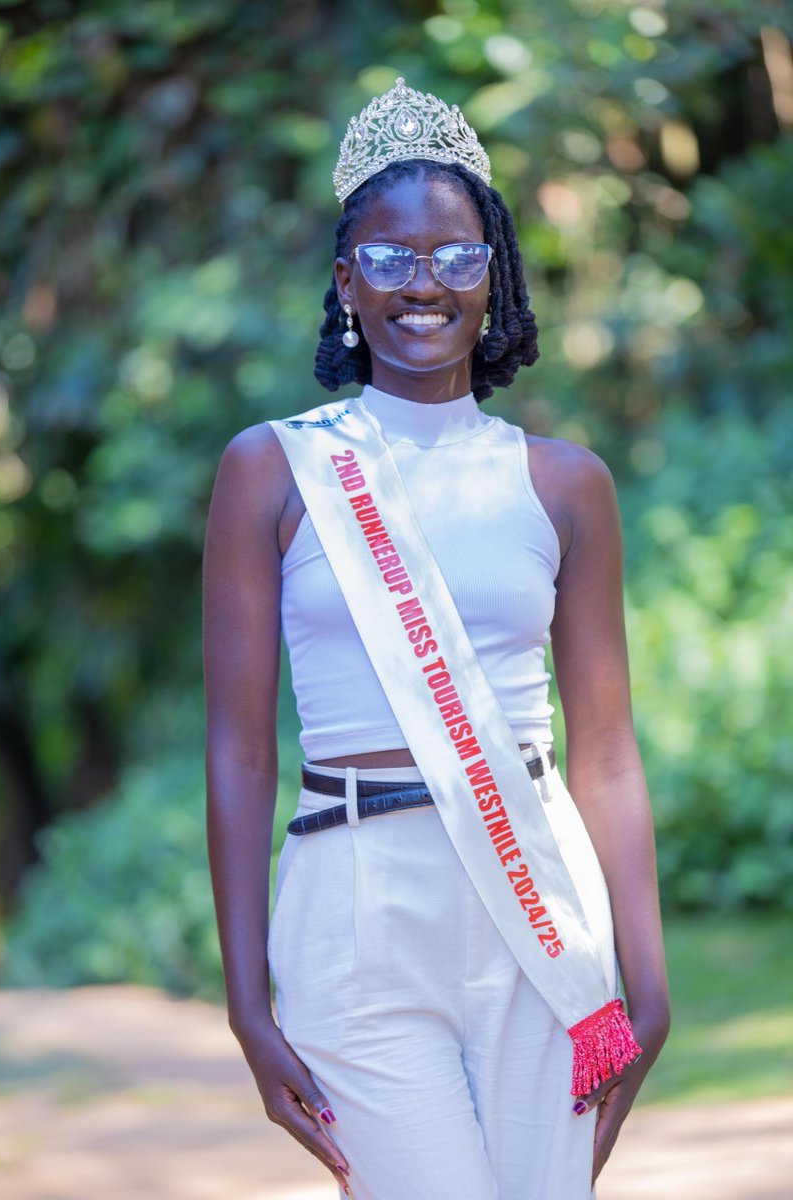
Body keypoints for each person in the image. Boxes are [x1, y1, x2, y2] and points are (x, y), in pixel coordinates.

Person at [203, 78, 670, 1200]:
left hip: (538, 899)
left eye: (458, 258)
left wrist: (646, 986)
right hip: (352, 897)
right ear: (345, 281)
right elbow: (236, 748)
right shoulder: (272, 470)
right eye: (391, 258)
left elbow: (603, 752)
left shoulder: (563, 483)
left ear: (492, 275)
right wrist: (245, 1004)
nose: (425, 286)